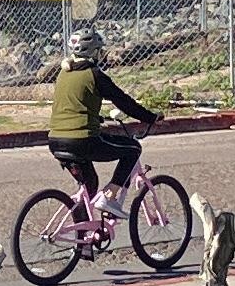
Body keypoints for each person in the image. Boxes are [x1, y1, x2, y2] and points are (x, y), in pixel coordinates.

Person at [46, 29, 158, 203]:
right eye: (99, 50)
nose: (101, 54)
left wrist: (96, 118)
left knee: (89, 185)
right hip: (83, 140)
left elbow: (74, 105)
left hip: (55, 141)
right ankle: (109, 197)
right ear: (93, 52)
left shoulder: (63, 74)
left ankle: (85, 229)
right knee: (133, 149)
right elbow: (123, 101)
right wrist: (149, 117)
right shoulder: (95, 75)